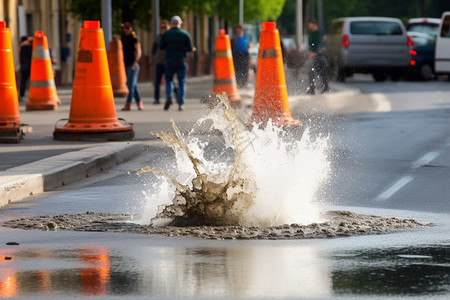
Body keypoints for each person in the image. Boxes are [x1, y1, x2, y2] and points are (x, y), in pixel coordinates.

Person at [160, 15, 196, 111]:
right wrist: (192, 49)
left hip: (169, 61)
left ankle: (169, 97)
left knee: (168, 80)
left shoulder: (166, 34)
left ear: (171, 24)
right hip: (181, 61)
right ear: (179, 24)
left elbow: (161, 46)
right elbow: (189, 48)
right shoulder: (185, 34)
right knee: (181, 82)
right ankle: (180, 103)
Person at [151, 19, 177, 105]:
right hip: (159, 62)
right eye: (162, 27)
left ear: (169, 27)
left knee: (170, 81)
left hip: (169, 62)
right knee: (157, 81)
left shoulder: (170, 36)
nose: (164, 28)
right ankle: (156, 98)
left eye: (165, 27)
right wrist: (151, 57)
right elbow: (154, 48)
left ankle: (175, 96)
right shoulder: (158, 36)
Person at [121, 22, 143, 110]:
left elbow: (139, 51)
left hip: (133, 65)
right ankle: (139, 102)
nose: (127, 30)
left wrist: (135, 62)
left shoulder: (135, 38)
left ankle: (128, 104)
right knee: (131, 85)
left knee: (131, 85)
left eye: (128, 28)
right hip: (125, 64)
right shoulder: (123, 38)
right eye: (125, 28)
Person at [307, 19, 329, 95]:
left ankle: (325, 87)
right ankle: (312, 88)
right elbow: (310, 44)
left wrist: (315, 53)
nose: (309, 26)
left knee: (322, 71)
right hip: (313, 55)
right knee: (311, 72)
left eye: (310, 24)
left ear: (314, 24)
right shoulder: (311, 33)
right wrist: (310, 52)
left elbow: (321, 44)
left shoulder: (319, 33)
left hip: (320, 55)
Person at [231, 24, 250, 88]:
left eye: (240, 29)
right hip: (236, 55)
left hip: (245, 54)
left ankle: (244, 83)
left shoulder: (245, 37)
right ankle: (238, 83)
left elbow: (248, 46)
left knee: (244, 69)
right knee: (237, 69)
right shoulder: (234, 38)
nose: (238, 30)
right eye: (237, 29)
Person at [18, 36, 33, 101]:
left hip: (23, 65)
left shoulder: (21, 47)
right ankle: (32, 94)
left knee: (23, 81)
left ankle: (21, 95)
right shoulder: (31, 47)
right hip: (30, 65)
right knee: (32, 81)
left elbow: (19, 53)